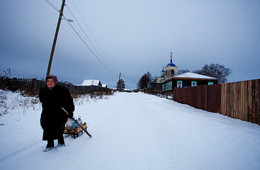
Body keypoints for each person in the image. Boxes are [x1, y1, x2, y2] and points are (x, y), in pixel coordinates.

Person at [39, 75, 74, 151]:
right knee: (47, 127)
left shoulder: (62, 89)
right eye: (48, 81)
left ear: (55, 81)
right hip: (47, 112)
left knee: (59, 127)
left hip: (60, 112)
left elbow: (69, 100)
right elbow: (41, 99)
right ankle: (50, 144)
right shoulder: (43, 90)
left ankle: (61, 142)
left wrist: (70, 111)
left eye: (52, 81)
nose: (50, 83)